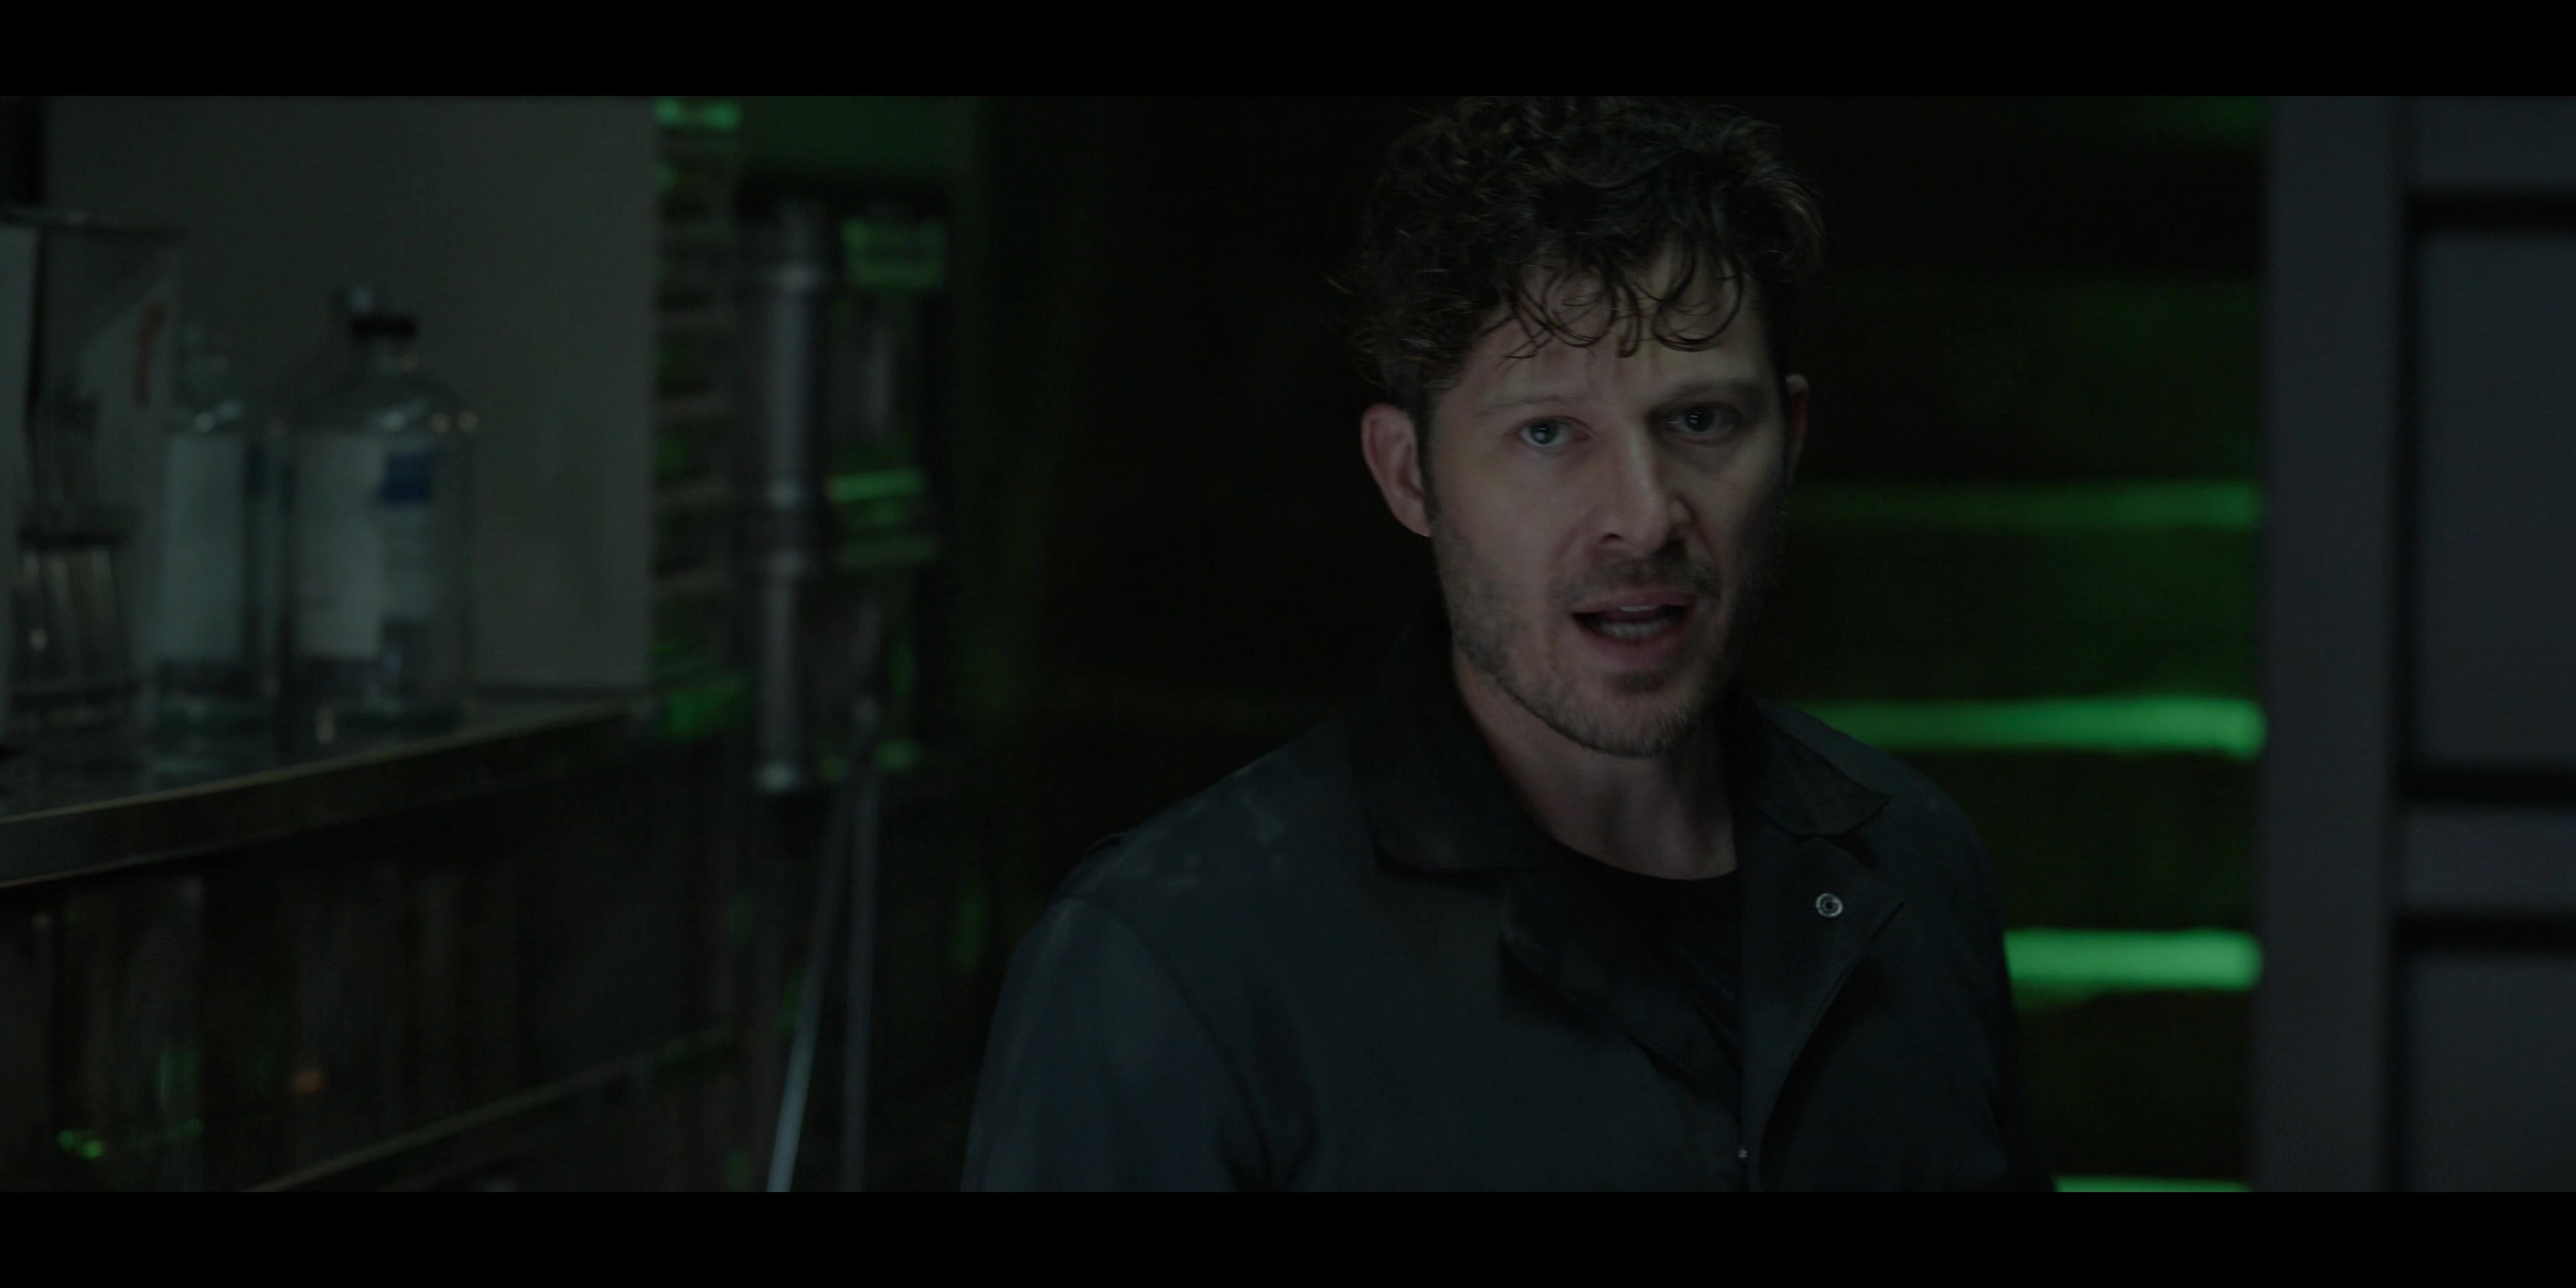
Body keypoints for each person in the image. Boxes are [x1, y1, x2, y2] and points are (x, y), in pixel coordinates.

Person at [961, 95, 2053, 1191]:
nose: (1644, 516)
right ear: (1409, 476)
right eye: (1547, 433)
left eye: (1702, 421)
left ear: (1792, 439)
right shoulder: (1175, 960)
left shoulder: (1915, 867)